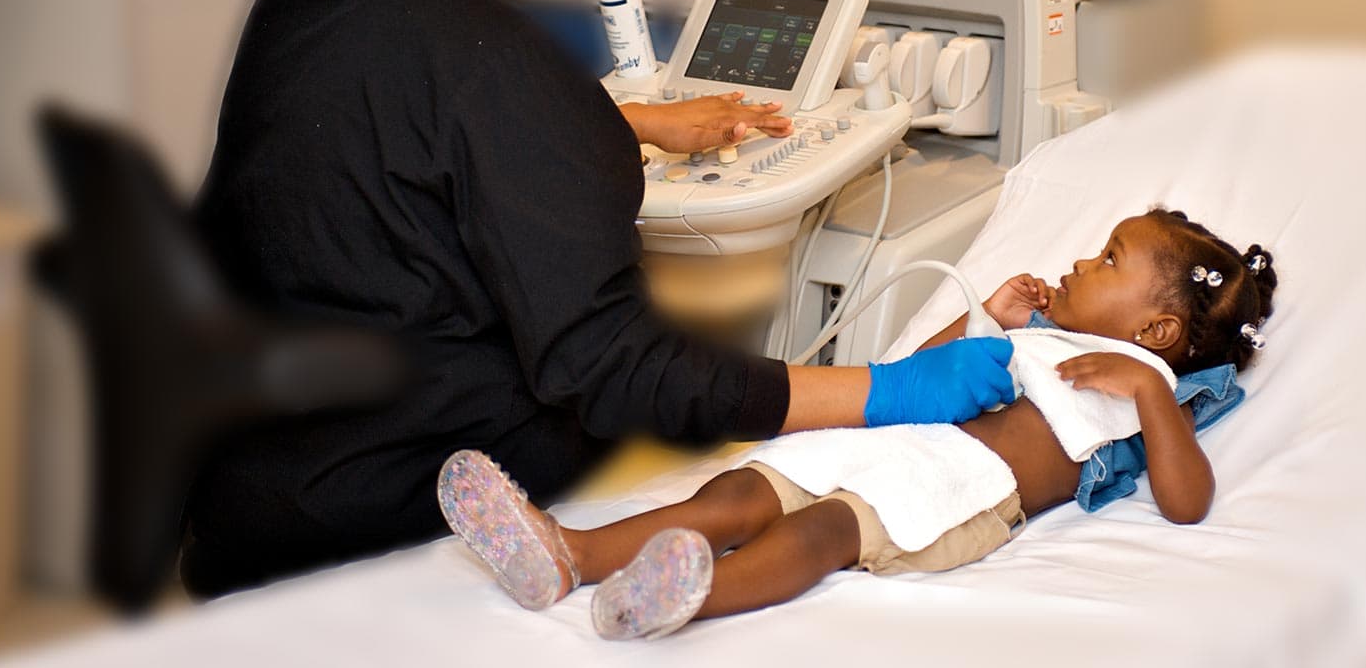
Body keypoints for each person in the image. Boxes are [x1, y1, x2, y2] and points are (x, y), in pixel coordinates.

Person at [182, 0, 1014, 596]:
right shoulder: (491, 60)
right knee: (664, 425)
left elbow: (400, 154)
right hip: (385, 507)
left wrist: (630, 127)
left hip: (247, 499)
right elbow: (615, 370)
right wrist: (883, 391)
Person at [437, 208, 1279, 640]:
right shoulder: (1038, 330)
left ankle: (684, 598)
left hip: (955, 491)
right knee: (739, 490)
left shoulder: (1153, 389)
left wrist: (1150, 394)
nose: (1078, 263)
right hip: (892, 443)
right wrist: (986, 318)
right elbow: (925, 379)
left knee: (825, 534)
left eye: (1106, 263)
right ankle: (570, 554)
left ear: (1159, 332)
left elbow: (1186, 501)